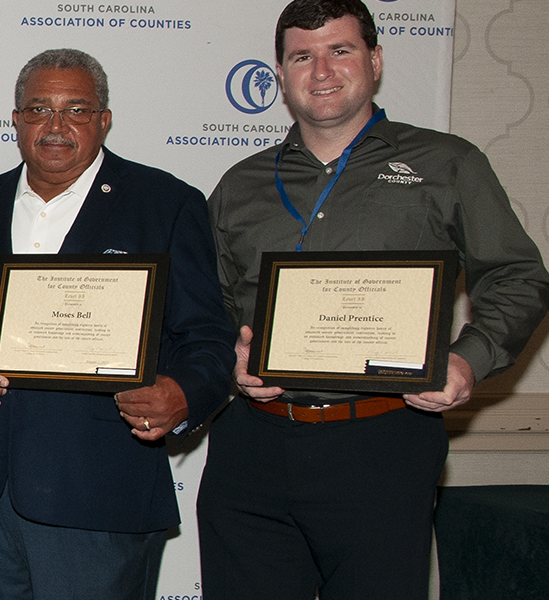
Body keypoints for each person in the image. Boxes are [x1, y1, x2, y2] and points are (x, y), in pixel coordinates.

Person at [201, 1, 549, 598]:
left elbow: (518, 275)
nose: (322, 71)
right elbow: (211, 306)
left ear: (375, 60)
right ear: (280, 73)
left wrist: (469, 359)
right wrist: (227, 359)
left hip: (381, 445)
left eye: (341, 50)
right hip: (251, 447)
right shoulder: (240, 184)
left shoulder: (447, 164)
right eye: (302, 56)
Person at [0, 48, 235, 600]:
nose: (55, 126)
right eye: (38, 110)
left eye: (75, 110)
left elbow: (207, 338)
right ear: (15, 121)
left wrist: (183, 393)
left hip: (101, 491)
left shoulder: (166, 204)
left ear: (103, 120)